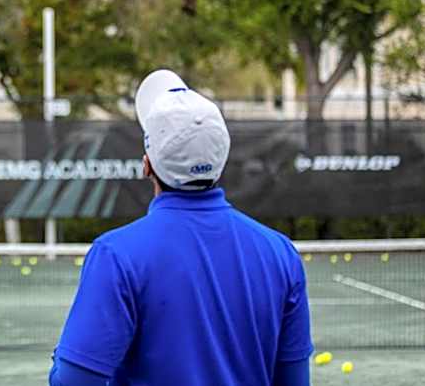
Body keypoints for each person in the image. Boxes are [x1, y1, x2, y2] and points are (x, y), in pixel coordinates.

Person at [50, 70, 313, 386]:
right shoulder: (281, 253)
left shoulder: (116, 255)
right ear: (222, 160)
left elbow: (73, 381)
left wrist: (65, 356)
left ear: (147, 164)